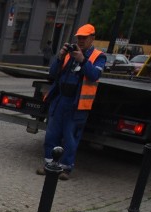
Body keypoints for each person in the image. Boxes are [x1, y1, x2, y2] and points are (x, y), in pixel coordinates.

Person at [37, 24, 105, 180]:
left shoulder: (98, 56)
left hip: (77, 103)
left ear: (92, 38)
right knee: (51, 135)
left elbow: (94, 75)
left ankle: (65, 168)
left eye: (84, 38)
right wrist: (60, 57)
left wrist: (82, 60)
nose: (80, 41)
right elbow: (53, 73)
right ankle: (49, 165)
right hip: (60, 99)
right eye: (79, 38)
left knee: (70, 137)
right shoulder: (69, 55)